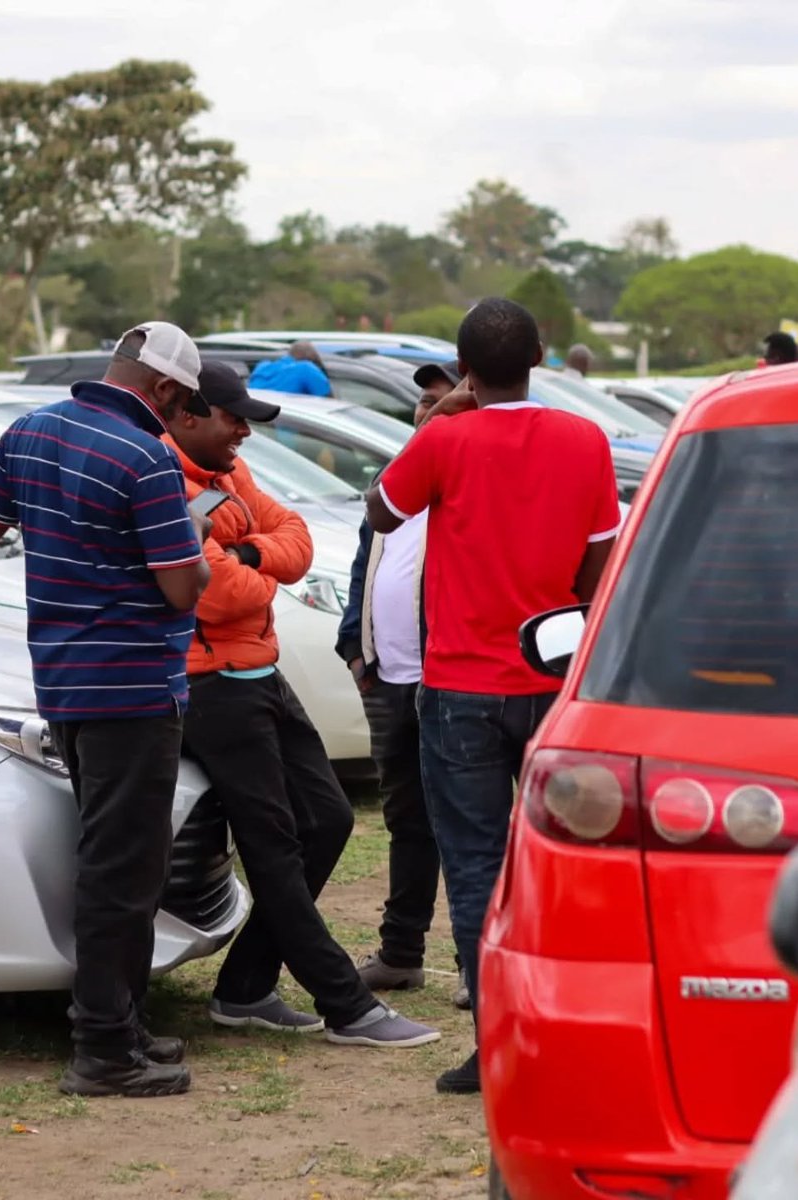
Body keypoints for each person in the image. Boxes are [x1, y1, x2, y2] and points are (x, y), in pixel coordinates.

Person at [0, 321, 212, 1098]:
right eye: (184, 399)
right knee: (123, 870)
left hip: (67, 685)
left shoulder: (30, 431)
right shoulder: (146, 457)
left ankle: (124, 1021)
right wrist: (202, 534)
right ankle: (104, 1050)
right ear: (168, 390)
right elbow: (183, 587)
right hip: (134, 691)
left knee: (118, 860)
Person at [366, 298, 621, 1095]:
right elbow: (599, 560)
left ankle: (496, 1044)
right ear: (542, 355)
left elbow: (379, 509)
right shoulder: (585, 439)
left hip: (459, 690)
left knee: (475, 871)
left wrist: (440, 413)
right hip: (552, 683)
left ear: (464, 364)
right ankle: (579, 1033)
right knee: (568, 864)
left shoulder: (444, 438)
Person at [163, 360, 440, 1049]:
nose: (243, 436)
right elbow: (218, 594)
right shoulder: (162, 478)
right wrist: (253, 566)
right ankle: (346, 1004)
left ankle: (246, 987)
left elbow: (296, 542)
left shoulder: (225, 472)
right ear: (188, 414)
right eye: (234, 420)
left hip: (258, 671)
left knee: (329, 819)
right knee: (274, 845)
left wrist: (243, 553)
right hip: (209, 684)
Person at [337, 360, 469, 1011]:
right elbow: (369, 565)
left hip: (452, 682)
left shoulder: (471, 481)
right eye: (422, 402)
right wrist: (354, 650)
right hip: (390, 680)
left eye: (442, 402)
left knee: (473, 825)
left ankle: (476, 961)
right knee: (406, 822)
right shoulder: (392, 484)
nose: (428, 412)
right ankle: (401, 953)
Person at [247, 340, 333, 396]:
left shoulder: (262, 366)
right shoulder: (306, 368)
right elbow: (328, 403)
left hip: (256, 422)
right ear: (309, 359)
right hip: (288, 421)